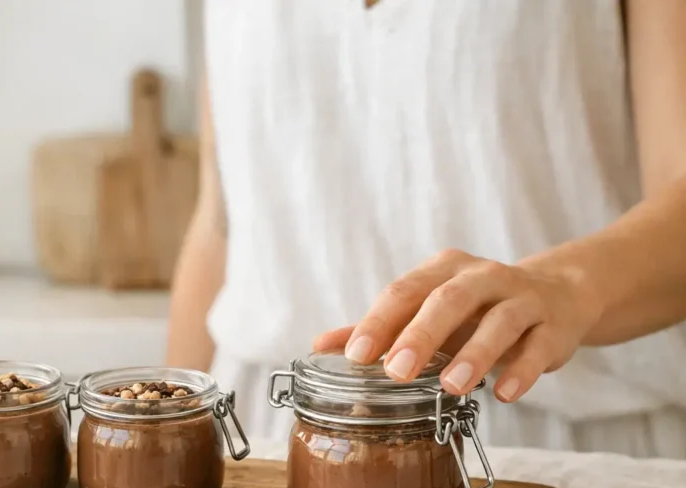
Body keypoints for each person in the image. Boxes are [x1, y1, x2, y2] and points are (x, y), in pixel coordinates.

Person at [166, 0, 686, 460]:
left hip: (566, 442)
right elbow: (222, 224)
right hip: (264, 434)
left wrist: (567, 284)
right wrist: (171, 430)